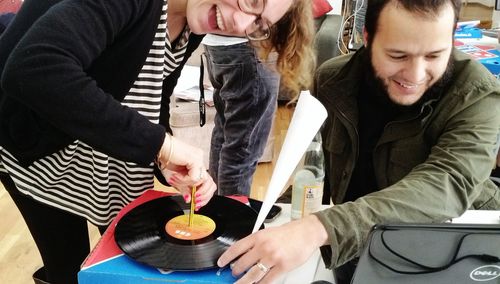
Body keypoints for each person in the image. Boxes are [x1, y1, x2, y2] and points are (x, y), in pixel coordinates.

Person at [0, 0, 315, 283]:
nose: (241, 25)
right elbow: (34, 68)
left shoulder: (192, 24)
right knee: (68, 270)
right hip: (32, 150)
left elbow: (153, 99)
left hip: (90, 149)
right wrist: (161, 145)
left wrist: (168, 161)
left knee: (111, 262)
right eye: (252, 1)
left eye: (259, 24)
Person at [217, 0, 500, 283]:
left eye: (434, 55)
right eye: (398, 55)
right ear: (366, 38)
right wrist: (277, 220)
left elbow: (447, 183)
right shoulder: (332, 81)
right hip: (354, 249)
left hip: (453, 257)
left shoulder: (477, 94)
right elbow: (322, 172)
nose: (415, 74)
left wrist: (316, 229)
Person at [203, 34, 280, 196]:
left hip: (218, 45)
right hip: (249, 47)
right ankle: (232, 217)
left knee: (225, 133)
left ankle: (216, 210)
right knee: (242, 151)